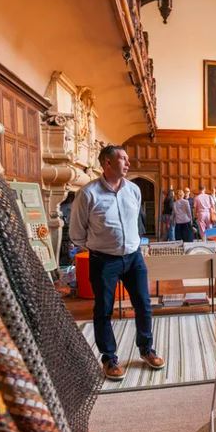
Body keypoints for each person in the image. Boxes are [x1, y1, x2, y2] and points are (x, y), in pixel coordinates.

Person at [70, 144, 165, 380]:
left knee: (143, 304)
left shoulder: (133, 190)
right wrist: (99, 247)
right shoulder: (88, 193)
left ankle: (146, 349)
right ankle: (109, 359)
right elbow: (76, 233)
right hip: (104, 261)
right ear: (107, 163)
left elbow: (135, 223)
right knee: (103, 310)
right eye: (122, 158)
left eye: (127, 158)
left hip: (134, 258)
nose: (128, 162)